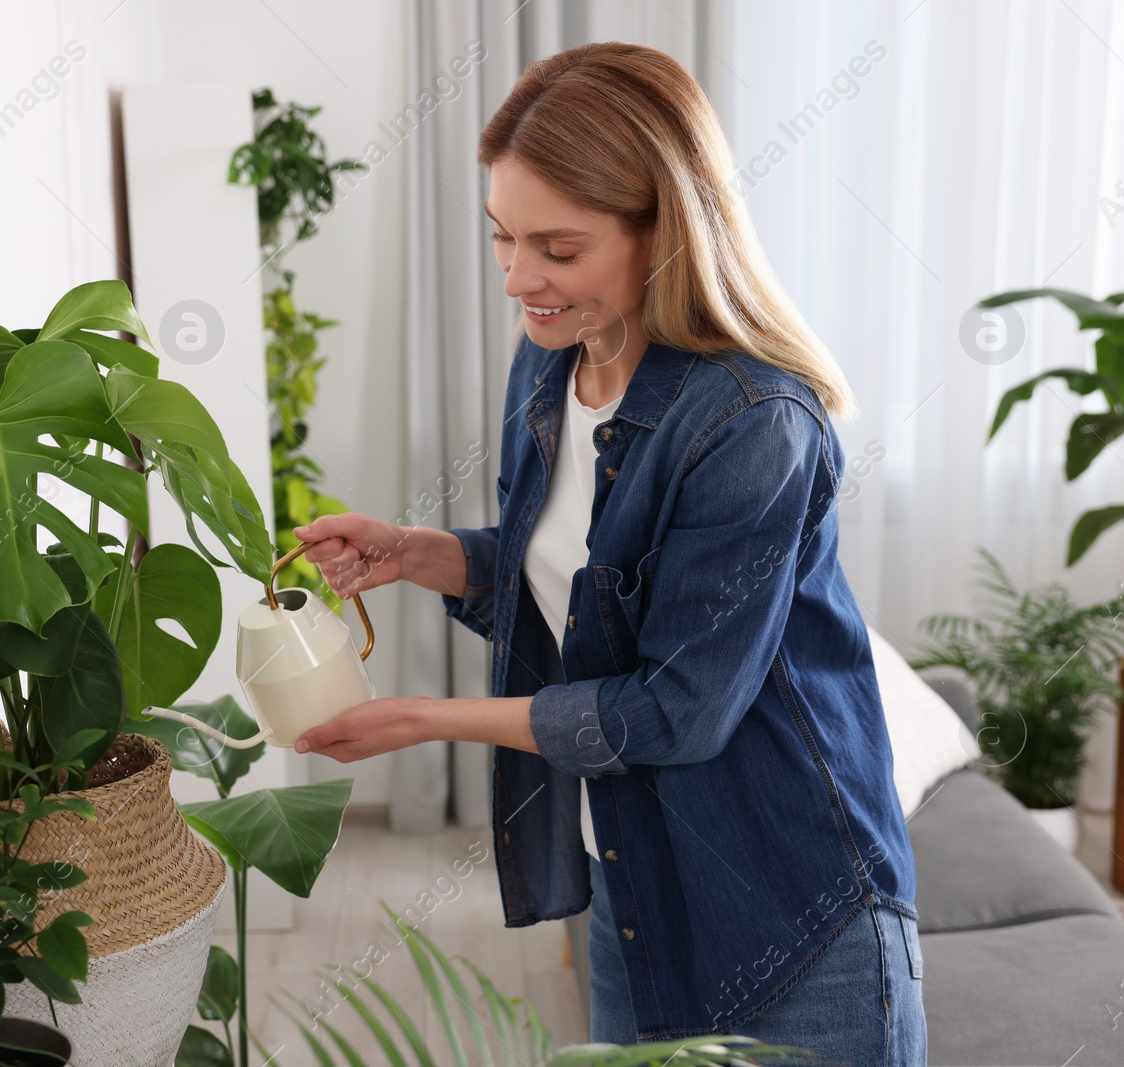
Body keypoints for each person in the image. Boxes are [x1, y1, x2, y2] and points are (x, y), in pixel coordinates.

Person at [287, 42, 926, 1066]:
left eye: (557, 247)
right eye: (501, 239)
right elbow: (579, 588)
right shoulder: (551, 365)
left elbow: (676, 704)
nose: (518, 279)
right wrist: (417, 551)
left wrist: (420, 719)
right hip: (638, 877)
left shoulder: (753, 421)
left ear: (664, 232)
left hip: (793, 904)